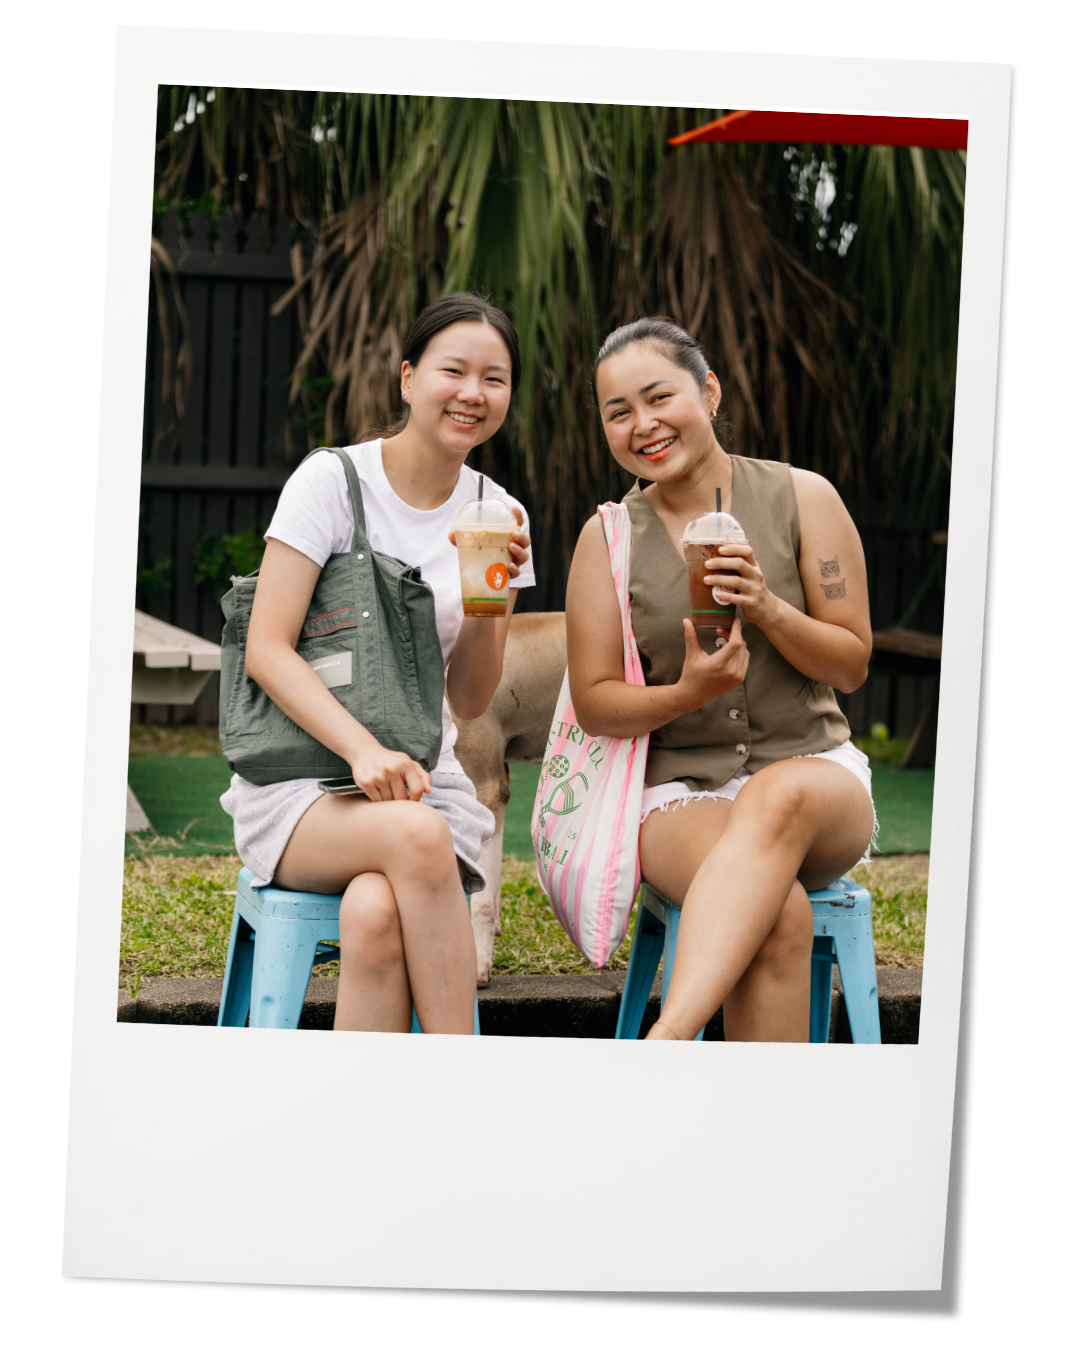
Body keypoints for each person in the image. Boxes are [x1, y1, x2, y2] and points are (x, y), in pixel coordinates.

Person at [221, 293, 534, 1034]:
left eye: (495, 378)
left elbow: (467, 699)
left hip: (427, 777)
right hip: (302, 785)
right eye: (452, 370)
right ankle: (462, 1083)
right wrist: (363, 752)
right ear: (406, 378)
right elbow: (267, 649)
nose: (473, 393)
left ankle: (365, 1128)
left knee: (373, 912)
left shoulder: (500, 513)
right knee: (418, 838)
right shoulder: (330, 482)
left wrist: (485, 605)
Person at [565, 318, 875, 1042]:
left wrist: (769, 608)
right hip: (681, 793)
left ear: (707, 392)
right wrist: (689, 693)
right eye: (619, 412)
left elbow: (852, 664)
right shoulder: (607, 537)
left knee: (782, 789)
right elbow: (596, 703)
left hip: (814, 775)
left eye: (658, 397)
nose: (643, 425)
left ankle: (666, 1042)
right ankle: (759, 1141)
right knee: (780, 917)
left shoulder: (805, 498)